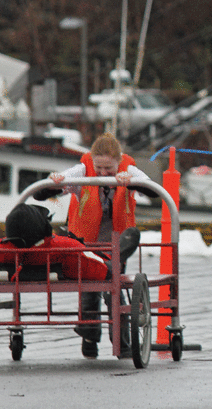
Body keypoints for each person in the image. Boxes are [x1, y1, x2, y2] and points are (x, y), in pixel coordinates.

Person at [34, 132, 153, 358]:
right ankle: (89, 340)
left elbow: (151, 189)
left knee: (114, 290)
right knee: (89, 290)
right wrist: (54, 183)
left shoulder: (129, 169)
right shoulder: (82, 170)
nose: (103, 173)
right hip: (86, 242)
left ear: (119, 161)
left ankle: (123, 343)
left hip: (116, 244)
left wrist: (131, 183)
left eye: (109, 168)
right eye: (99, 168)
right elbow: (44, 193)